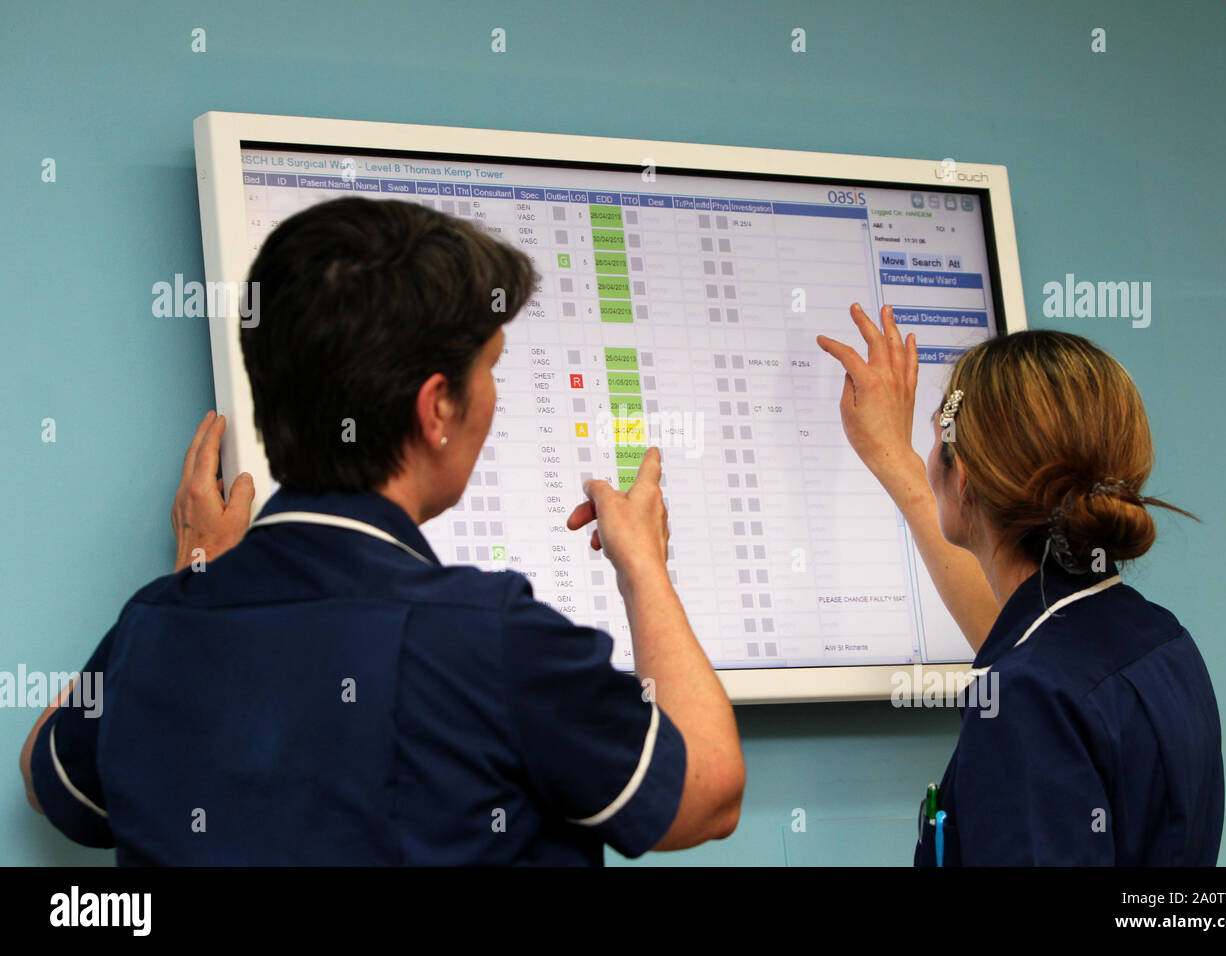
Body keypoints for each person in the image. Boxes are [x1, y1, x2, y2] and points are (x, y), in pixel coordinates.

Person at [19, 196, 744, 865]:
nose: (493, 394)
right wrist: (643, 565)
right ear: (436, 409)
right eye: (491, 368)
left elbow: (45, 776)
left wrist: (197, 578)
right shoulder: (492, 638)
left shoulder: (152, 628)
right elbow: (707, 797)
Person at [818, 304, 1224, 865]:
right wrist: (893, 457)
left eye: (937, 438)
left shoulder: (1024, 700)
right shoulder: (1156, 639)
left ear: (962, 480)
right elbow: (1029, 648)